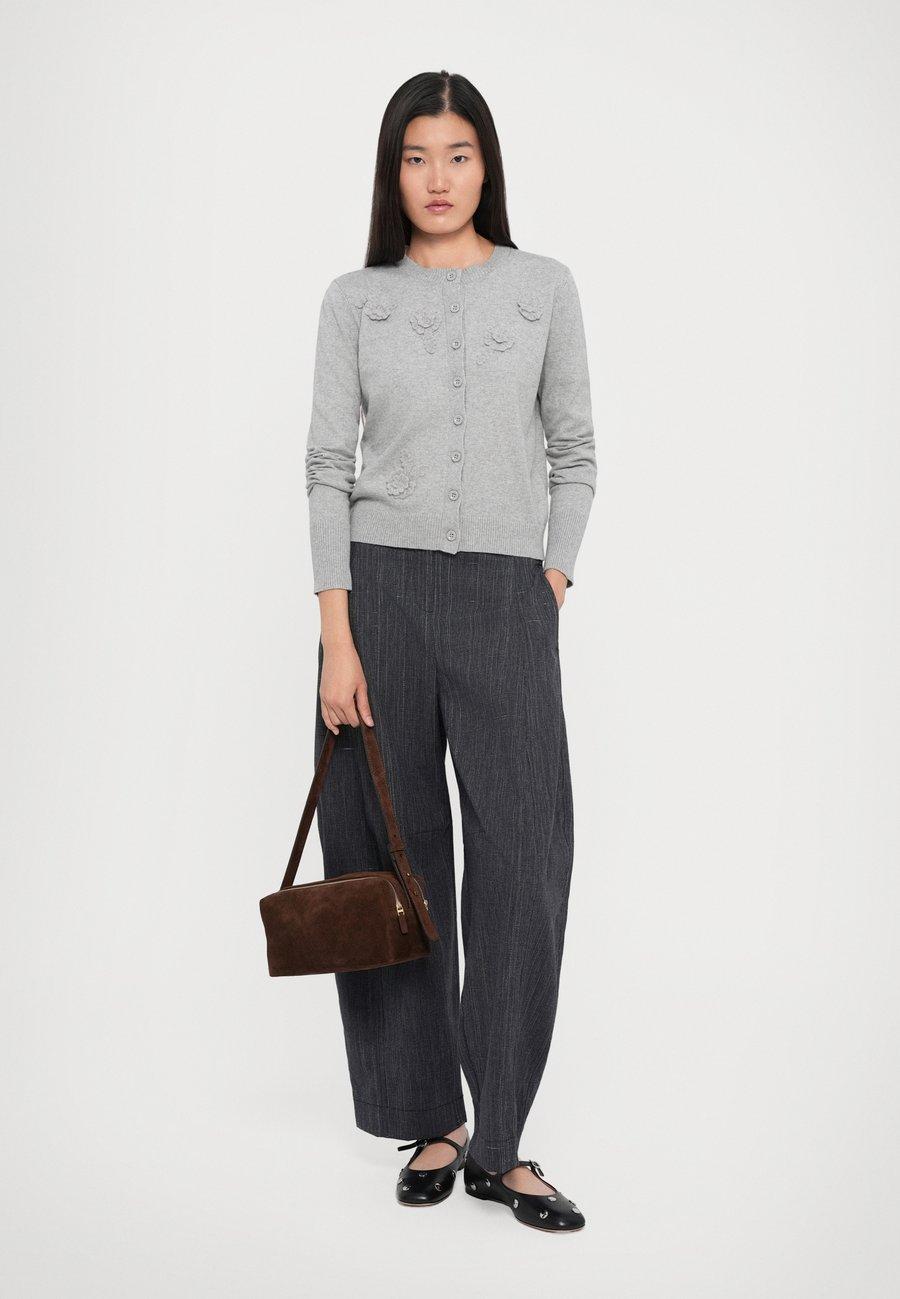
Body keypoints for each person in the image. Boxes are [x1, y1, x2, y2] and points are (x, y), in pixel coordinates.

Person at [305, 69, 596, 1233]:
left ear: (488, 165)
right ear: (394, 171)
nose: (438, 177)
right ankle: (431, 1117)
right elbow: (327, 467)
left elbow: (576, 450)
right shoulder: (355, 299)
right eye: (417, 156)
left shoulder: (544, 287)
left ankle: (505, 1141)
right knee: (393, 859)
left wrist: (549, 580)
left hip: (506, 598)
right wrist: (337, 636)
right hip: (377, 596)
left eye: (459, 154)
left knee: (523, 858)